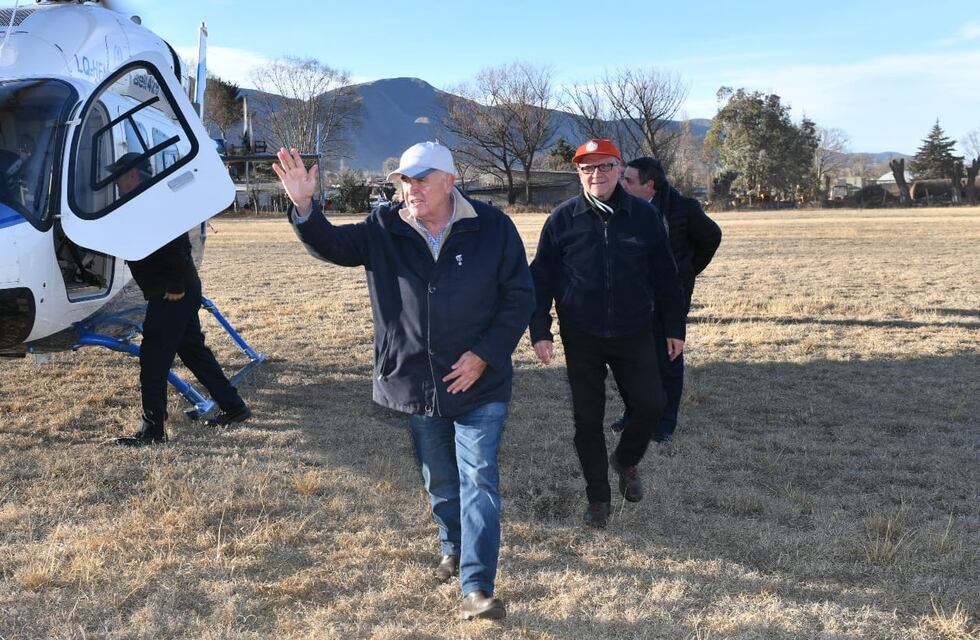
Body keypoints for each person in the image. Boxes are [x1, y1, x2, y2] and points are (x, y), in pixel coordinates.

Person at [273, 141, 534, 621]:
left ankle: (477, 585)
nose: (411, 189)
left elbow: (520, 296)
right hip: (417, 380)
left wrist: (484, 355)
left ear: (450, 182)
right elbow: (333, 246)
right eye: (405, 180)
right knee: (439, 476)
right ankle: (452, 546)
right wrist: (304, 206)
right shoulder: (384, 226)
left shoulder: (492, 227)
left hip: (481, 381)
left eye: (421, 179)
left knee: (479, 477)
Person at [528, 139, 687, 528]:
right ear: (578, 173)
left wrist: (674, 328)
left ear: (619, 169)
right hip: (581, 334)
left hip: (635, 331)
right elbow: (540, 278)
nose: (595, 175)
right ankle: (598, 497)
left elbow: (667, 275)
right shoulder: (562, 219)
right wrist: (540, 330)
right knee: (587, 419)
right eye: (587, 168)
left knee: (651, 404)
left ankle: (625, 460)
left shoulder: (645, 217)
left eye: (603, 167)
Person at [112, 153, 251, 446]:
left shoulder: (151, 200)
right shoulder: (148, 197)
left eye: (119, 176)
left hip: (172, 292)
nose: (116, 182)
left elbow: (176, 241)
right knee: (193, 352)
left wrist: (174, 286)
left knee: (153, 360)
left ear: (134, 175)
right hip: (181, 289)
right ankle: (234, 407)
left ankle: (152, 431)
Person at [616, 157, 722, 442]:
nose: (622, 184)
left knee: (667, 361)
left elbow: (712, 236)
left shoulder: (683, 209)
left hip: (668, 300)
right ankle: (632, 413)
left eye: (628, 180)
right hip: (631, 299)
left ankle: (664, 422)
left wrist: (685, 272)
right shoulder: (621, 207)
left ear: (649, 186)